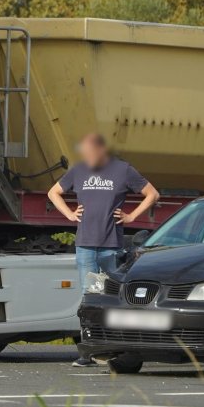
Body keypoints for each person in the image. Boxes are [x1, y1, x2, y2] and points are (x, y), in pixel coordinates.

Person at [48, 133, 159, 368]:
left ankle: (116, 349)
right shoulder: (78, 171)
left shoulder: (123, 170)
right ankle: (88, 352)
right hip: (85, 245)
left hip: (112, 247)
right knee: (89, 298)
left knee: (114, 298)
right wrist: (69, 214)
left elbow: (152, 194)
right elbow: (53, 192)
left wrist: (131, 216)